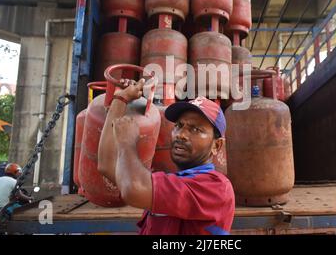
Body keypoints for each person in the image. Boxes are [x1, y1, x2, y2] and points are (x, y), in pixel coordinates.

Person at [98, 78, 235, 235]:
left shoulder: (216, 188)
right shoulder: (174, 181)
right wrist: (120, 99)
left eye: (195, 129)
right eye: (178, 126)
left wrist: (127, 142)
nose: (181, 135)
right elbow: (106, 165)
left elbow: (133, 189)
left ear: (216, 146)